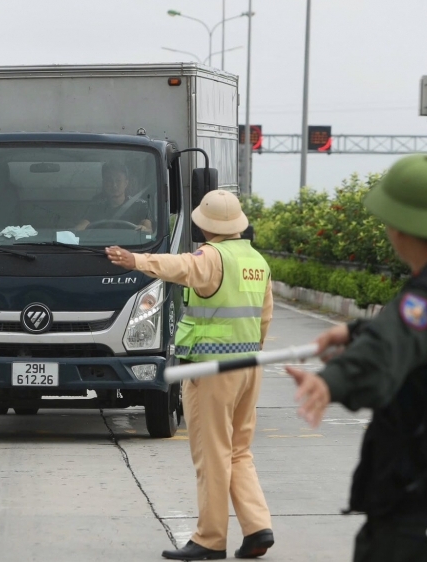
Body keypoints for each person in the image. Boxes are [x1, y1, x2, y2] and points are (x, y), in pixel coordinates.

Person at [286, 154, 427, 561]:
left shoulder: (422, 300)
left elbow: (384, 355)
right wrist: (357, 331)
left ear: (398, 228)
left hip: (422, 533)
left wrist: (330, 380)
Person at [107, 189, 275, 560]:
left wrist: (136, 260)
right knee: (238, 451)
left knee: (211, 454)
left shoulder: (212, 257)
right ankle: (257, 527)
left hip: (211, 368)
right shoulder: (256, 261)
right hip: (249, 367)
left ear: (204, 224)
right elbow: (264, 319)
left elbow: (181, 267)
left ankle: (210, 539)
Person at [76, 162, 153, 232]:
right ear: (104, 183)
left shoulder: (140, 205)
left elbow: (147, 228)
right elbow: (83, 225)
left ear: (126, 183)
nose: (114, 185)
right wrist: (72, 232)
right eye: (109, 180)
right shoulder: (95, 206)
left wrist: (144, 229)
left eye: (118, 180)